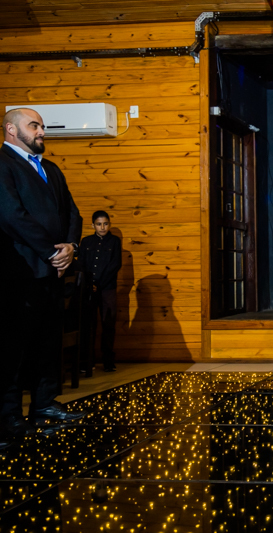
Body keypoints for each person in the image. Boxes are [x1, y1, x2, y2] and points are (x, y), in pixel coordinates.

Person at [0, 108, 86, 442]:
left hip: (54, 273)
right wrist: (51, 252)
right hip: (19, 273)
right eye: (34, 125)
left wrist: (71, 247)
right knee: (14, 347)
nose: (41, 131)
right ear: (11, 129)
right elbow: (11, 215)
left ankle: (45, 404)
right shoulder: (4, 164)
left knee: (48, 342)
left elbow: (73, 213)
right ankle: (9, 415)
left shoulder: (51, 169)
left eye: (42, 126)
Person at [77, 210, 122, 372]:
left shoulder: (114, 241)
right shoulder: (86, 241)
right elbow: (81, 264)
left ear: (109, 224)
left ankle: (108, 361)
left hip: (107, 288)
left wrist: (99, 284)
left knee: (108, 324)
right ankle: (87, 361)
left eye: (105, 224)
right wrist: (90, 284)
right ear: (93, 225)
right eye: (99, 224)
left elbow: (115, 265)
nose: (102, 227)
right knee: (88, 325)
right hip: (89, 289)